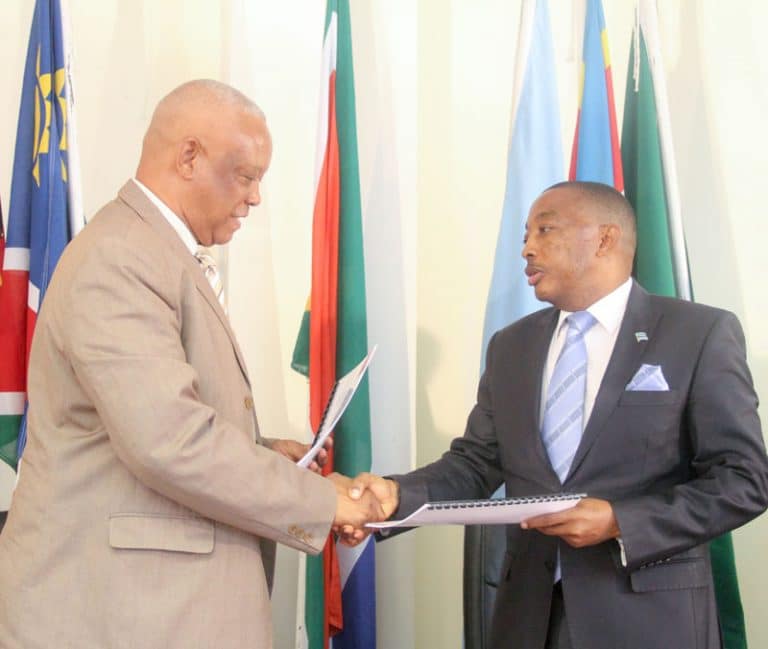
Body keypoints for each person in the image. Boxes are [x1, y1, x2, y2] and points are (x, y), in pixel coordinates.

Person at [0, 80, 383, 649]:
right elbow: (169, 440)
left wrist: (258, 450)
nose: (255, 198)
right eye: (246, 176)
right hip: (122, 615)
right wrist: (326, 502)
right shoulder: (120, 257)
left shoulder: (155, 251)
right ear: (188, 157)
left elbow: (145, 421)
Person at [346, 181, 768, 649]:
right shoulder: (512, 346)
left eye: (545, 231)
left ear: (605, 239)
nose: (527, 249)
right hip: (529, 619)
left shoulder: (697, 333)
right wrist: (395, 496)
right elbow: (475, 464)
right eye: (525, 235)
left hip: (650, 620)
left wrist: (621, 521)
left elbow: (744, 479)